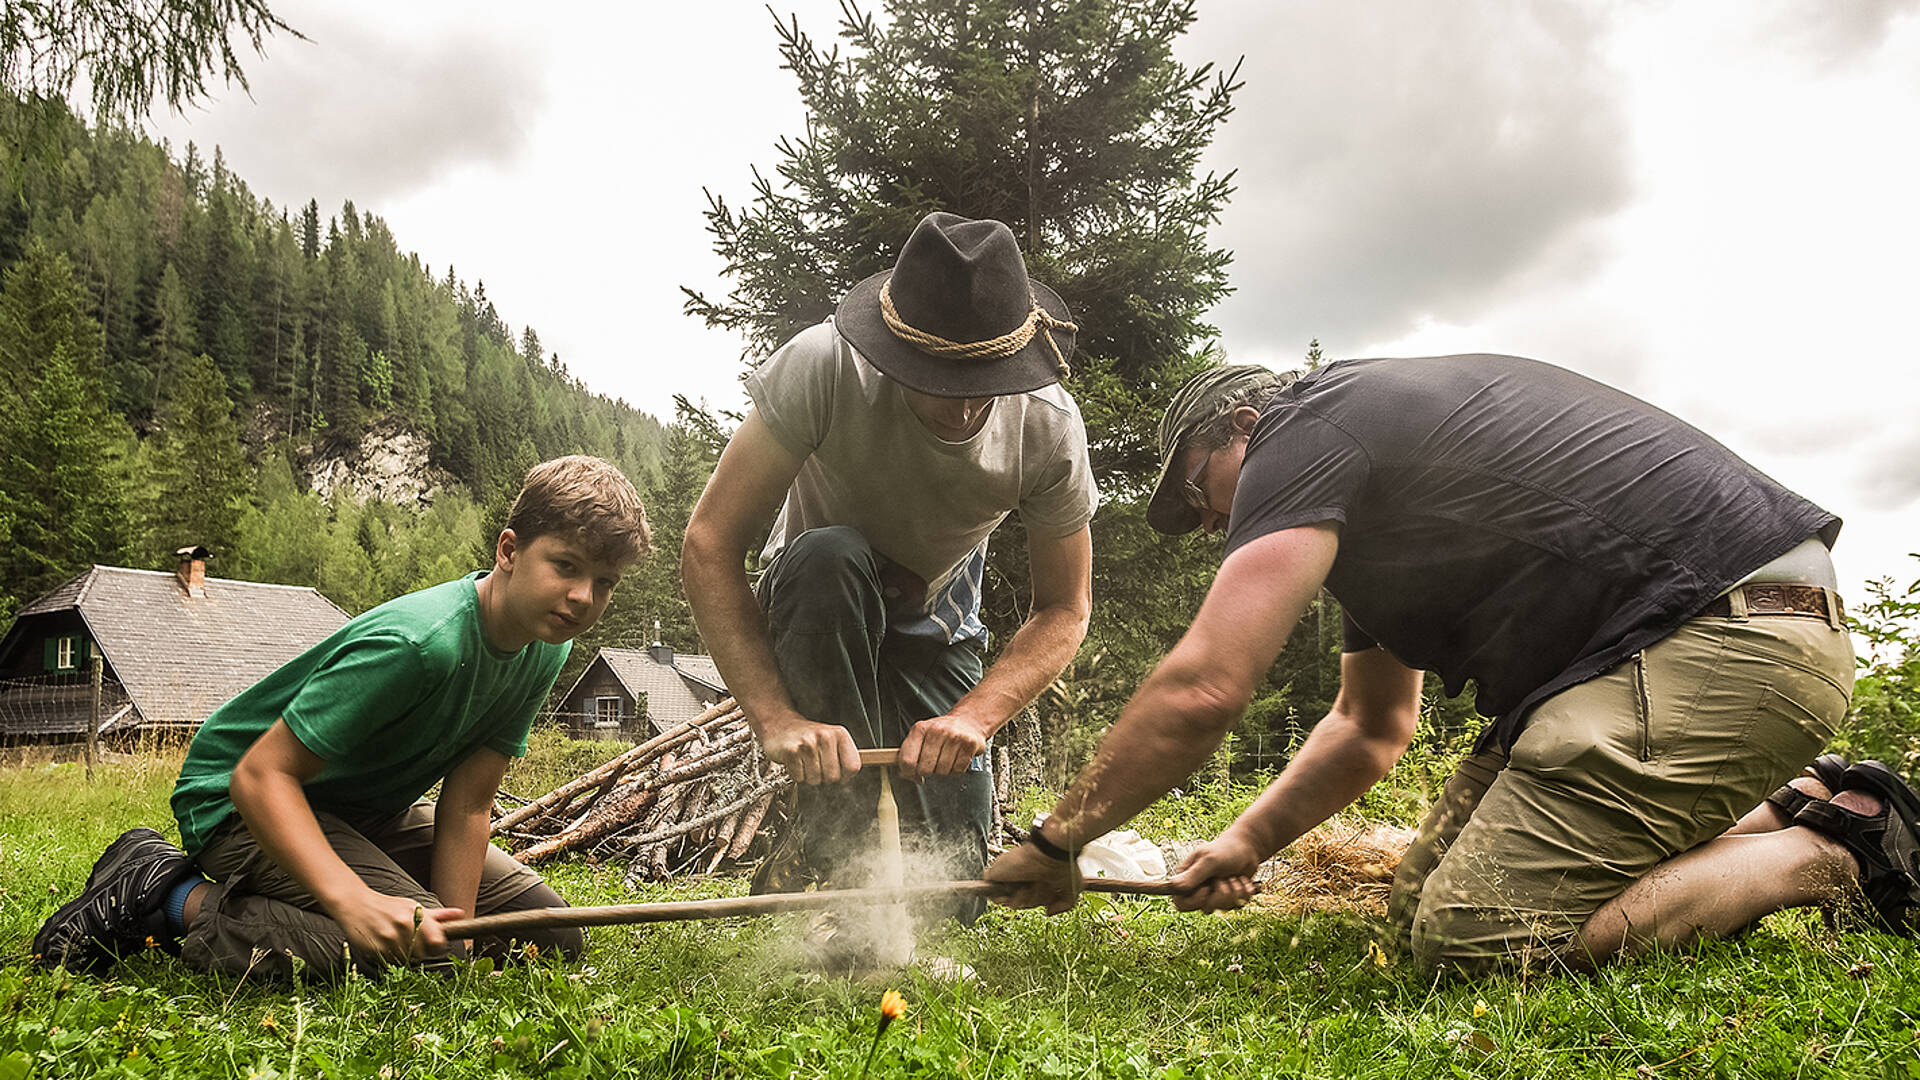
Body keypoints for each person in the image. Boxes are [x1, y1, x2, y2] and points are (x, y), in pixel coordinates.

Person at [986, 356, 1919, 973]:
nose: (1216, 526)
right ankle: (1812, 798)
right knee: (1415, 915)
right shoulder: (1388, 515)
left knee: (1478, 941)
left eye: (1201, 495)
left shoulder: (1311, 427)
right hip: (1674, 652)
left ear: (1242, 426)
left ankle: (1831, 851)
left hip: (1725, 636)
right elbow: (1368, 725)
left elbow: (1207, 687)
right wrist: (1243, 846)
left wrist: (1058, 838)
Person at [33, 455, 651, 979]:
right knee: (393, 952)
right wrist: (350, 899)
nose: (582, 598)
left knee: (552, 936)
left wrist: (456, 942)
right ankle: (169, 896)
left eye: (604, 582)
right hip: (242, 801)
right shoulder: (420, 644)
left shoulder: (548, 644)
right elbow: (259, 777)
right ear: (509, 550)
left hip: (363, 811)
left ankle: (375, 919)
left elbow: (466, 806)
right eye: (566, 566)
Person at [683, 211, 1097, 935]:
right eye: (942, 380)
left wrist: (975, 716)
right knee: (829, 554)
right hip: (816, 601)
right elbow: (710, 543)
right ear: (892, 351)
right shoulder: (823, 366)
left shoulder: (1048, 425)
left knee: (955, 899)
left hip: (936, 626)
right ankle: (831, 865)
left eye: (988, 381)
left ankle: (869, 868)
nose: (967, 404)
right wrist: (776, 719)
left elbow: (1064, 609)